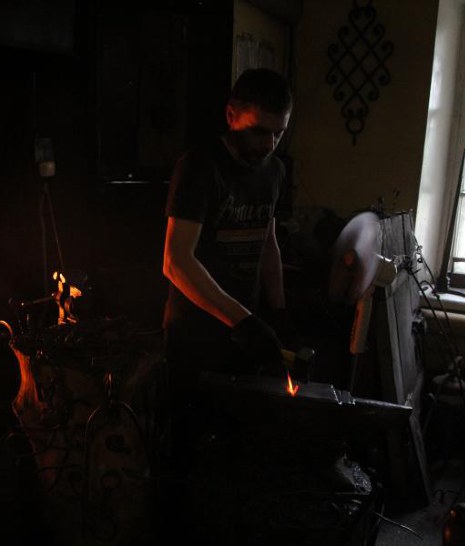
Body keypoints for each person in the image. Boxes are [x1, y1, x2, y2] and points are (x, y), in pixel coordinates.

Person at [160, 67, 294, 478]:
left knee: (237, 452)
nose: (268, 144)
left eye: (278, 134)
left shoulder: (274, 172)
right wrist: (244, 322)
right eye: (259, 132)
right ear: (232, 114)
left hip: (245, 334)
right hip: (195, 337)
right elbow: (176, 261)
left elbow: (268, 244)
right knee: (191, 454)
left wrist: (278, 312)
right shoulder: (199, 167)